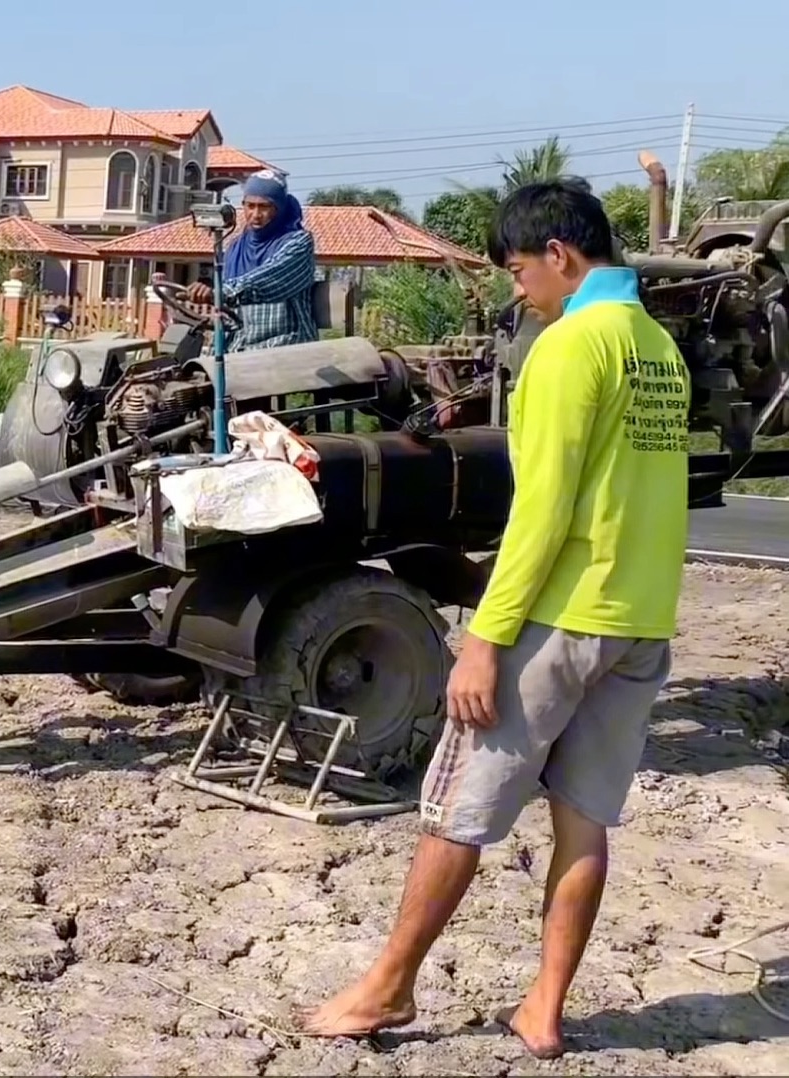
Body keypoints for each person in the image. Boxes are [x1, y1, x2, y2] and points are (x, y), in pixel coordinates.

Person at [299, 180, 690, 1060]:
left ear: (561, 255)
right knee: (584, 821)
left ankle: (387, 989)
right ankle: (544, 1011)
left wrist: (485, 638)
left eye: (519, 271)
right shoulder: (657, 345)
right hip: (640, 623)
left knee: (456, 811)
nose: (518, 290)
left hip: (558, 621)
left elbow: (542, 512)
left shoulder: (568, 346)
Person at [183, 169, 318, 351]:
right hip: (239, 347)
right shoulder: (235, 246)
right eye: (250, 206)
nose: (255, 214)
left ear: (279, 208)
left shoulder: (299, 243)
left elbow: (268, 278)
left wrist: (221, 293)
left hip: (283, 346)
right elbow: (227, 315)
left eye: (264, 207)